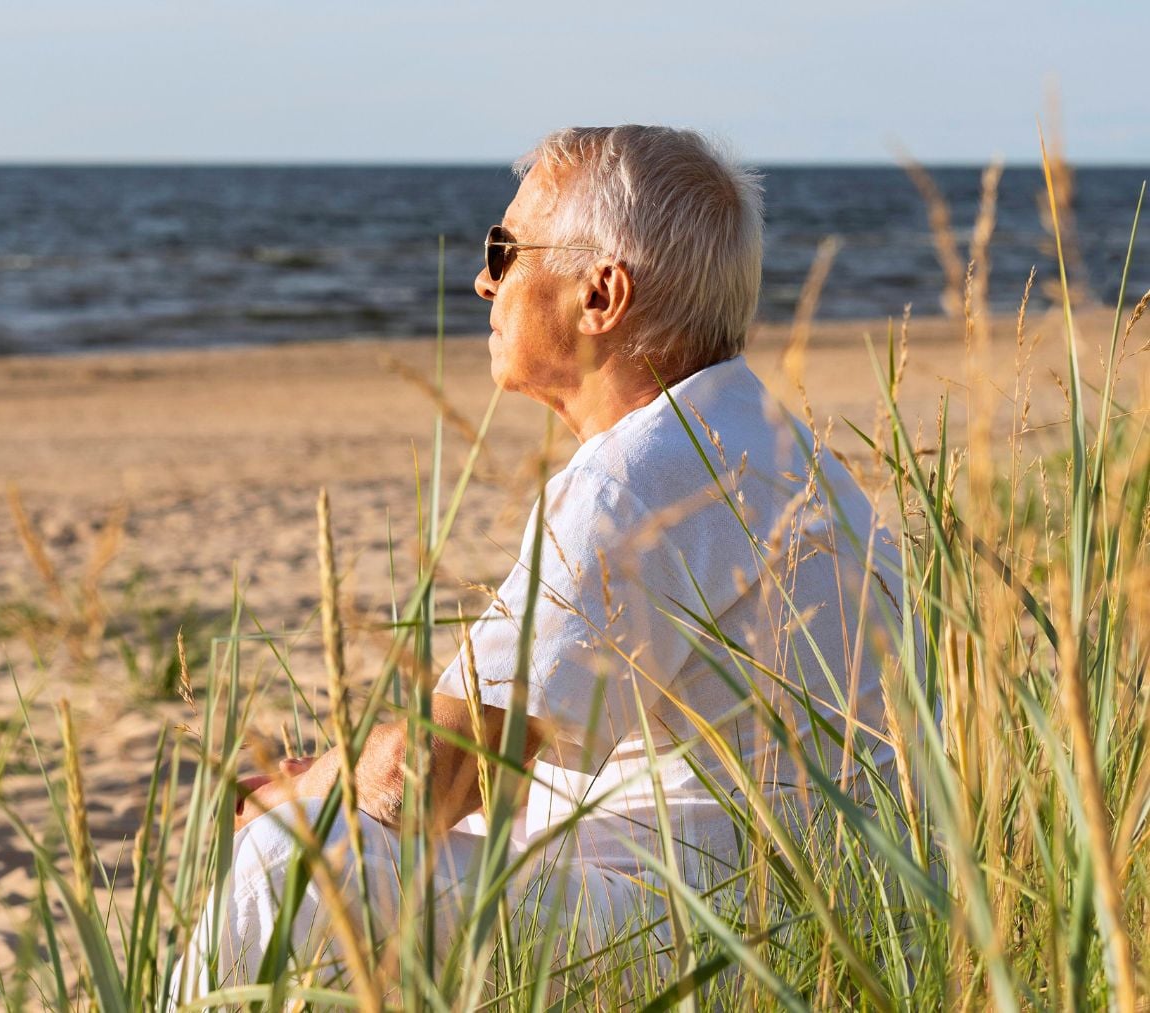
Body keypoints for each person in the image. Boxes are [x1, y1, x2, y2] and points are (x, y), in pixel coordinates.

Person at [183, 125, 906, 992]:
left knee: (286, 859)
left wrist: (292, 793)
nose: (485, 279)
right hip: (832, 914)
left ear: (600, 295)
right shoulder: (780, 448)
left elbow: (433, 779)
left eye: (506, 249)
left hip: (721, 941)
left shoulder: (638, 479)